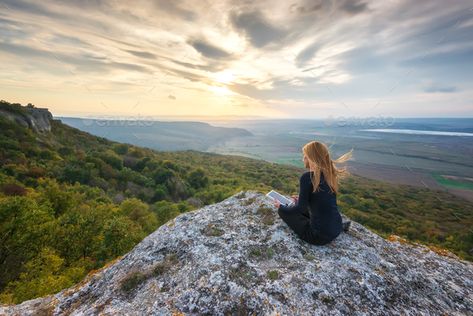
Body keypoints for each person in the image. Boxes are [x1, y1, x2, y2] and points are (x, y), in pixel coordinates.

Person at [274, 141, 353, 245]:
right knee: (305, 210)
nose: (303, 159)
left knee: (284, 212)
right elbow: (320, 199)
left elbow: (300, 209)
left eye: (305, 156)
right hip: (337, 228)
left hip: (318, 236)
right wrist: (301, 199)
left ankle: (286, 210)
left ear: (312, 159)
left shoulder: (307, 177)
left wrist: (281, 206)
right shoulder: (329, 175)